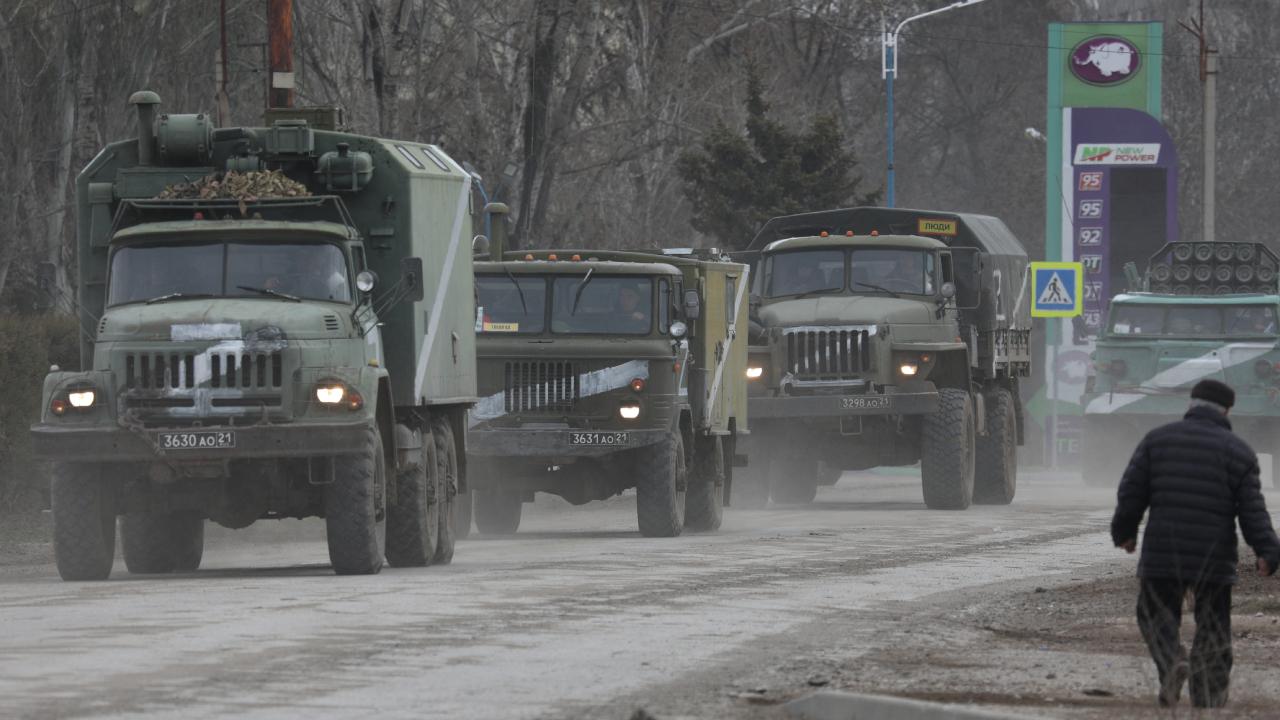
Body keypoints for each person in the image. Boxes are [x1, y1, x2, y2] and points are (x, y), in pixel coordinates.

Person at [1111, 379, 1280, 709]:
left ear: (1190, 405)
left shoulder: (1157, 440)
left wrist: (1125, 532)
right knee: (1214, 626)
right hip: (1213, 558)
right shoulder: (1239, 452)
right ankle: (1208, 700)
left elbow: (1131, 492)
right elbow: (1252, 511)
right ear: (1227, 410)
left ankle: (1172, 660)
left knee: (1155, 615)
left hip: (1163, 552)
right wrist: (1267, 552)